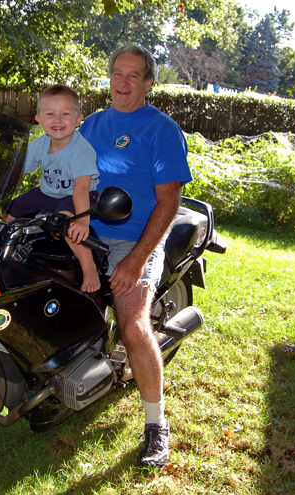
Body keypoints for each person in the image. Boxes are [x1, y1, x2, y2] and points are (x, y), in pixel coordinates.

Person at [79, 44, 193, 468]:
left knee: (132, 322)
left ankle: (155, 424)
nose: (123, 83)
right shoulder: (91, 124)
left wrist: (134, 260)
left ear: (148, 83)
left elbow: (168, 202)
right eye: (117, 74)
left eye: (134, 76)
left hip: (136, 237)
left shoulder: (161, 130)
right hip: (87, 231)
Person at [5, 84, 101, 293]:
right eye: (50, 114)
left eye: (65, 114)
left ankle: (89, 267)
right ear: (39, 119)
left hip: (80, 194)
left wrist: (83, 221)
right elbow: (19, 173)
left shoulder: (81, 151)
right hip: (47, 191)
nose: (57, 120)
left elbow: (81, 188)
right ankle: (10, 254)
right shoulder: (39, 145)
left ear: (78, 119)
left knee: (66, 222)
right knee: (6, 212)